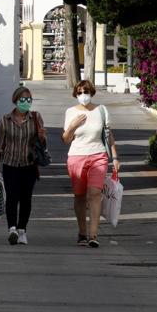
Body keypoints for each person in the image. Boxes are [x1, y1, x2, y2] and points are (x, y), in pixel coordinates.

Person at [62, 79, 120, 247]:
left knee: (95, 193)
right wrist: (72, 125)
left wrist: (115, 157)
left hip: (98, 155)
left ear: (91, 93)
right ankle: (82, 232)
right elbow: (66, 139)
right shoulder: (71, 112)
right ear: (75, 94)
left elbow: (109, 134)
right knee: (80, 196)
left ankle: (93, 235)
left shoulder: (101, 110)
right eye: (79, 93)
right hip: (76, 156)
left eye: (86, 92)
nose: (83, 95)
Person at [0, 86, 47, 245]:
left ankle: (22, 229)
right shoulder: (5, 120)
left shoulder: (35, 118)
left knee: (26, 199)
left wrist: (42, 137)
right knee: (12, 197)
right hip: (10, 164)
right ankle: (12, 229)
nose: (26, 103)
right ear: (15, 100)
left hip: (29, 164)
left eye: (29, 100)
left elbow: (42, 145)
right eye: (23, 100)